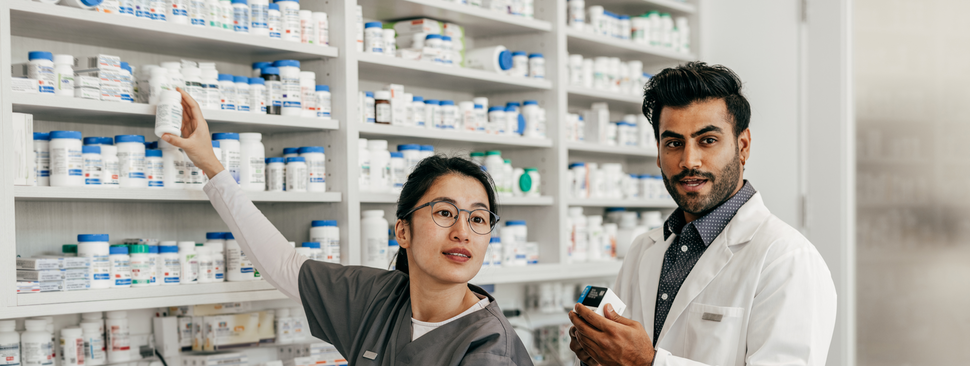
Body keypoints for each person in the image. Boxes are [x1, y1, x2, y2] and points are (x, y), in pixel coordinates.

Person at [163, 88, 533, 366]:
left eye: (478, 218)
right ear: (402, 231)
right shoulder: (379, 298)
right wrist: (209, 162)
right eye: (445, 212)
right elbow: (283, 265)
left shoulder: (487, 349)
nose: (462, 232)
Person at [568, 62, 837, 366]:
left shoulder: (788, 259)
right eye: (673, 143)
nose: (688, 160)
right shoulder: (644, 249)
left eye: (707, 140)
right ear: (658, 153)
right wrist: (599, 357)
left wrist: (648, 362)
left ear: (743, 145)